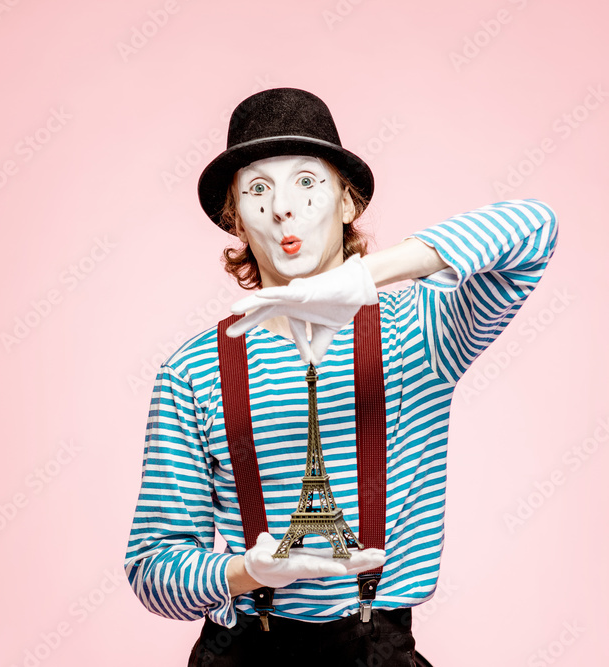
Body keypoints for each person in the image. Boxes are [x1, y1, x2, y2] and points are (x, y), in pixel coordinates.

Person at [124, 87, 559, 666]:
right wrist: (245, 570)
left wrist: (366, 278)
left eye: (307, 181)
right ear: (237, 220)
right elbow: (152, 565)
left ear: (348, 203)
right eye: (258, 190)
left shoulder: (421, 332)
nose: (283, 208)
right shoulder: (193, 370)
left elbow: (534, 227)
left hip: (377, 649)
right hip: (242, 651)